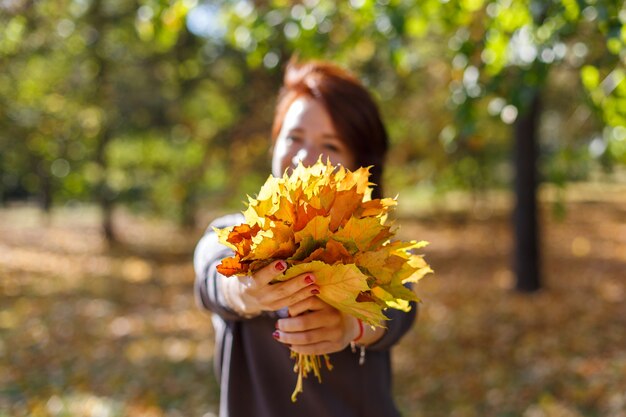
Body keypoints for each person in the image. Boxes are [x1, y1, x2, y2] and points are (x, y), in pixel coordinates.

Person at [194, 58, 417, 417]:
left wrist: (352, 325)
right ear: (274, 144)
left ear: (360, 167)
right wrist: (246, 291)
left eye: (330, 145)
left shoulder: (366, 243)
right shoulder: (234, 234)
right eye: (294, 137)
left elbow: (401, 309)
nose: (305, 157)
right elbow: (212, 280)